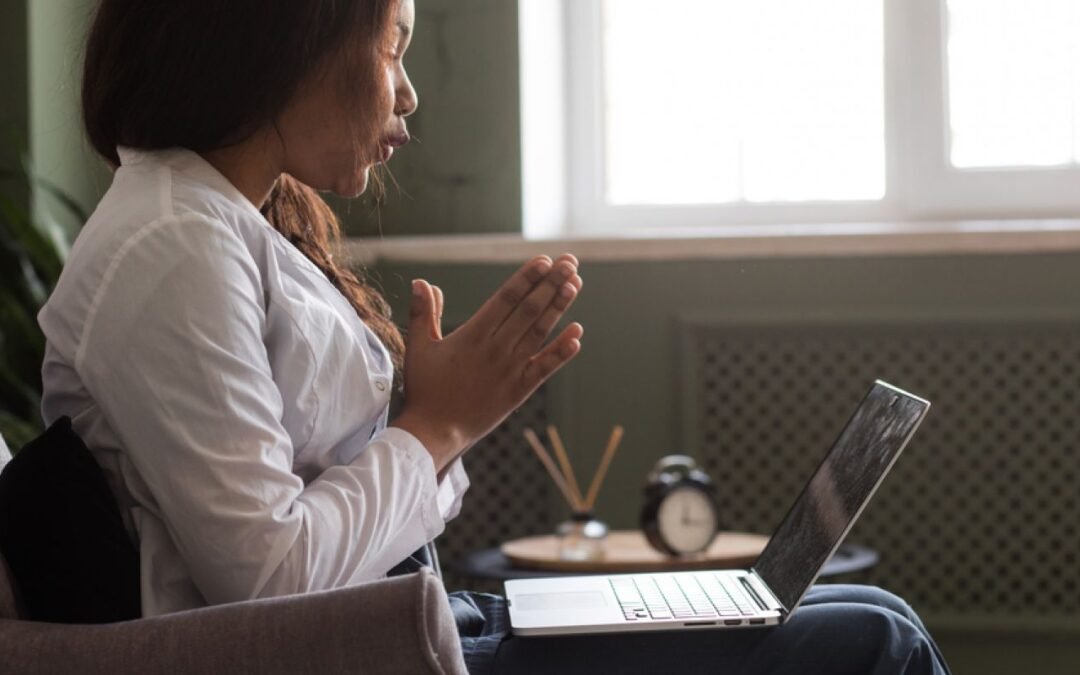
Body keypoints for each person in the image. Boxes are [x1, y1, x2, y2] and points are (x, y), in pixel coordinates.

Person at [39, 1, 951, 673]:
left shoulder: (223, 225)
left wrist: (431, 424)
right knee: (882, 640)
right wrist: (438, 425)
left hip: (409, 621)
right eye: (392, 42)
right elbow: (273, 583)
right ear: (287, 35)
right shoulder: (173, 245)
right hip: (354, 651)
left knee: (866, 607)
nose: (408, 89)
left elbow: (356, 515)